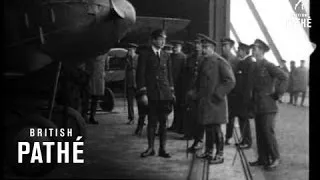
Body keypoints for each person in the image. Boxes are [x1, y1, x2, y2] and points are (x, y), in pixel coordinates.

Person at [188, 34, 235, 164]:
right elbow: (199, 82)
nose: (203, 50)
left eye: (206, 47)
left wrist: (218, 94)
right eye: (203, 47)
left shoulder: (220, 62)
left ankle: (220, 155)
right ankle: (209, 152)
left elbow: (230, 81)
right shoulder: (204, 61)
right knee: (208, 128)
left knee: (216, 129)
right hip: (205, 102)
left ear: (212, 48)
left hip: (216, 103)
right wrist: (194, 93)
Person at [248, 39, 288, 170]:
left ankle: (275, 158)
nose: (253, 50)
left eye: (255, 48)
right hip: (257, 105)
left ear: (261, 50)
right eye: (253, 48)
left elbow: (284, 77)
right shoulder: (254, 66)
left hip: (268, 105)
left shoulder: (269, 65)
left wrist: (278, 94)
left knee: (267, 132)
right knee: (260, 133)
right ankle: (263, 158)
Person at [136, 29, 175, 158]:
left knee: (163, 123)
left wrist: (171, 92)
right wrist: (143, 93)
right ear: (153, 40)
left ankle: (162, 149)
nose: (163, 41)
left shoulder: (165, 55)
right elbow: (140, 75)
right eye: (160, 39)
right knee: (152, 122)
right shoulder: (145, 55)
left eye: (164, 39)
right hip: (151, 94)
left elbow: (169, 76)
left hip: (164, 94)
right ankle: (150, 148)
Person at [233, 42, 255, 149]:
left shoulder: (249, 62)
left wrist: (248, 100)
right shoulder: (243, 62)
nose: (238, 52)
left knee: (244, 119)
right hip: (240, 98)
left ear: (244, 51)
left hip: (245, 98)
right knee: (241, 119)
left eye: (239, 50)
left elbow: (250, 83)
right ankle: (243, 140)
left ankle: (247, 141)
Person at [185, 38, 205, 152]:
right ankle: (193, 137)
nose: (197, 46)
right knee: (192, 116)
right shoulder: (190, 58)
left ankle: (199, 140)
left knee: (200, 118)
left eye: (199, 44)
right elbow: (187, 75)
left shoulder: (205, 59)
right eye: (196, 44)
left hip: (200, 92)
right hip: (191, 91)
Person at [220, 37, 239, 145]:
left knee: (231, 116)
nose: (223, 48)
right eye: (222, 45)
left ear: (231, 47)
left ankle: (228, 136)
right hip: (221, 90)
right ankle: (218, 137)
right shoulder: (219, 58)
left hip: (232, 92)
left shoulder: (236, 60)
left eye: (225, 46)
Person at [168, 40, 187, 136]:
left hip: (180, 87)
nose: (175, 48)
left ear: (181, 47)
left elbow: (184, 74)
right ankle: (174, 125)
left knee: (180, 107)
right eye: (174, 46)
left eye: (177, 46)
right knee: (174, 107)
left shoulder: (183, 57)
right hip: (171, 85)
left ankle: (180, 127)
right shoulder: (170, 56)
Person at [86, 53, 107, 124]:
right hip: (92, 78)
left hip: (98, 78)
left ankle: (92, 117)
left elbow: (105, 66)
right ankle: (86, 116)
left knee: (95, 99)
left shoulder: (104, 54)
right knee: (88, 98)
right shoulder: (92, 54)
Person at [124, 43, 139, 125]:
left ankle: (141, 118)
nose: (129, 51)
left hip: (138, 83)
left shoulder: (138, 58)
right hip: (129, 83)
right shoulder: (127, 59)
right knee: (130, 102)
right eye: (128, 50)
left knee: (140, 102)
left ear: (134, 50)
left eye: (131, 50)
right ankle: (131, 118)